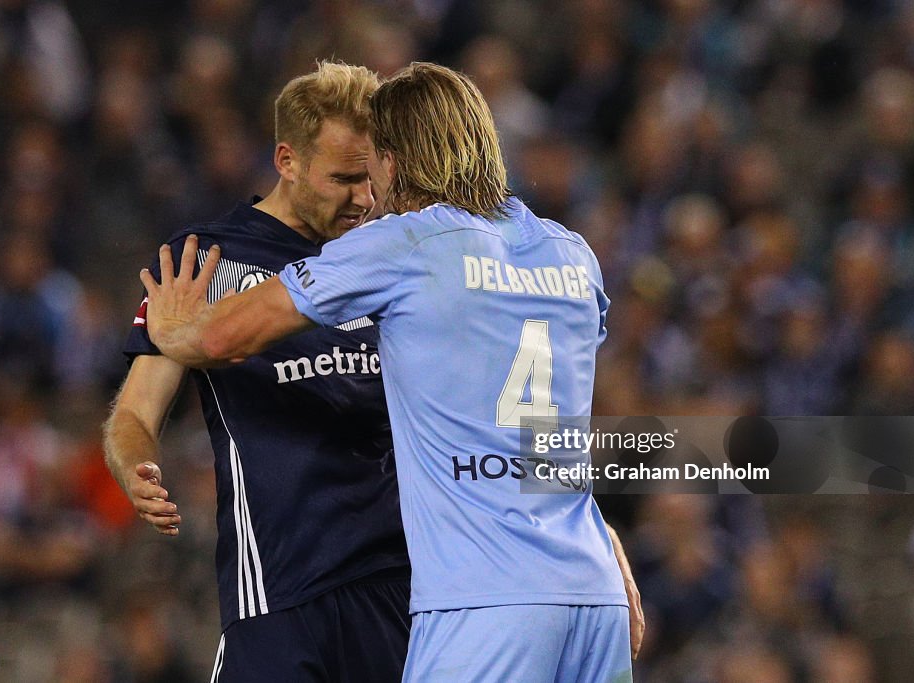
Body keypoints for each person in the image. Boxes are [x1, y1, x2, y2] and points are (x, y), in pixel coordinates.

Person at [141, 62, 645, 681]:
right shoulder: (572, 253)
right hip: (593, 591)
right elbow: (550, 434)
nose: (369, 190)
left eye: (373, 161)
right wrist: (604, 537)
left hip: (483, 602)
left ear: (395, 160)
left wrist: (171, 330)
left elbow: (222, 335)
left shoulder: (404, 244)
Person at [103, 61, 412, 683]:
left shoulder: (394, 258)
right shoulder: (205, 262)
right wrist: (138, 468)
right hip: (276, 588)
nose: (364, 199)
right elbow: (133, 412)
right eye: (343, 179)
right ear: (287, 160)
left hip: (401, 584)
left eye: (372, 178)